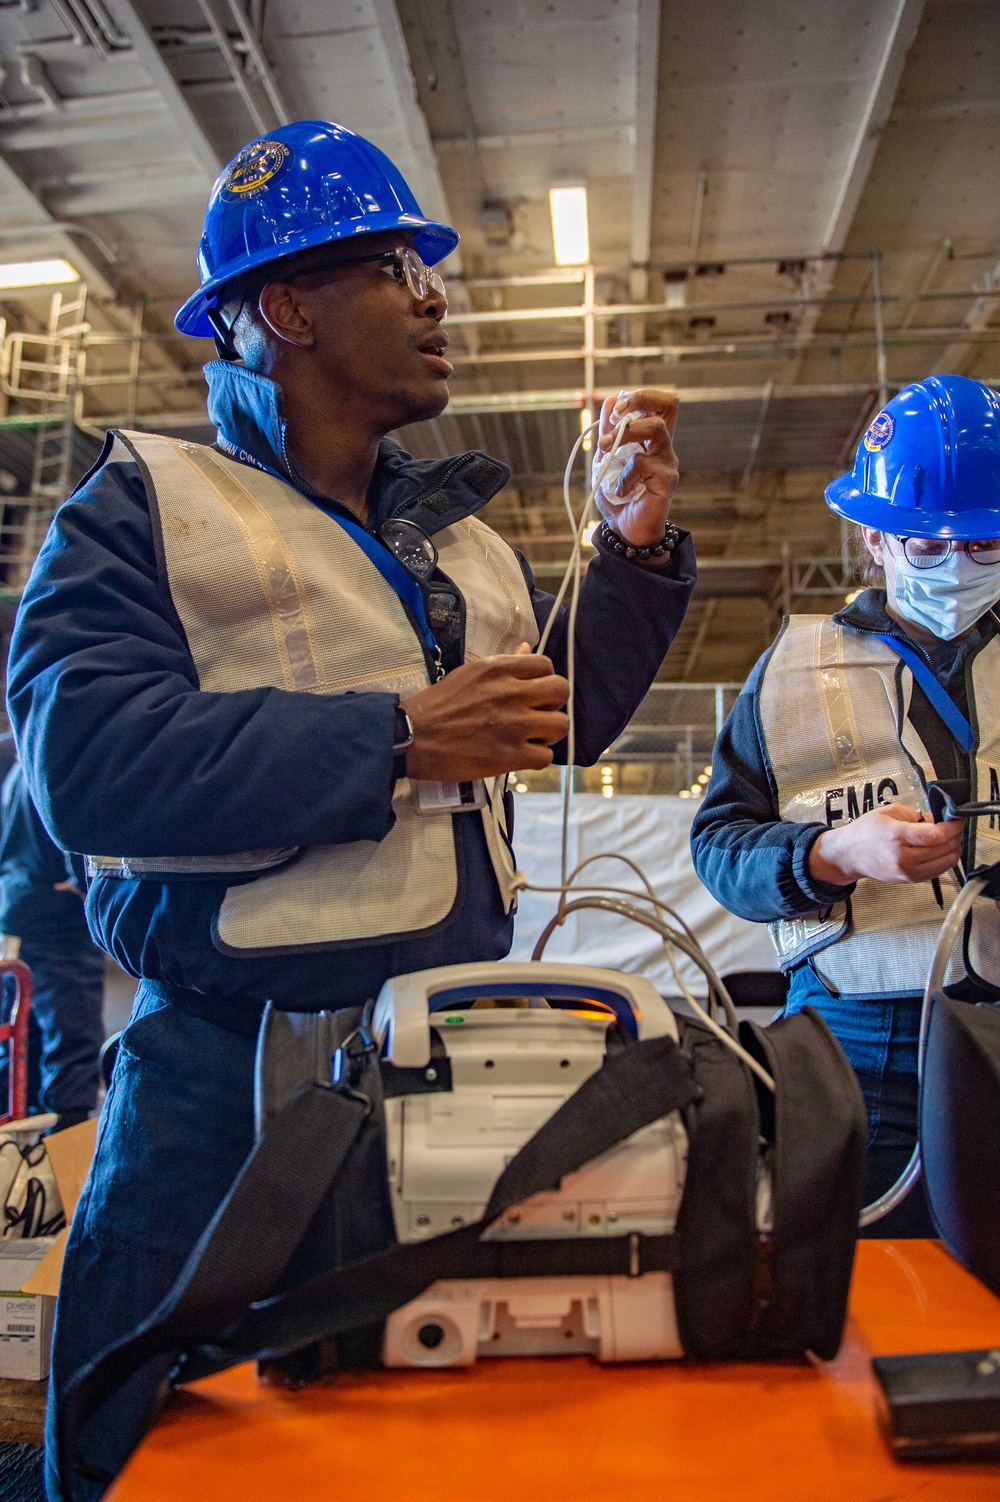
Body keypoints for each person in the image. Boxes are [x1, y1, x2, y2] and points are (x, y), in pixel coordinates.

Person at [6, 121, 696, 1500]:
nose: (437, 297)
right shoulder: (144, 508)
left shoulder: (464, 542)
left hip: (436, 1068)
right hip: (221, 1083)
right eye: (396, 267)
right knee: (150, 1434)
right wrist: (394, 735)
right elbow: (80, 759)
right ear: (286, 309)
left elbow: (551, 716)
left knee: (403, 1432)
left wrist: (625, 554)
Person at [692, 373, 1000, 1239]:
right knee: (855, 1289)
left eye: (984, 546)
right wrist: (834, 856)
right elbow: (720, 845)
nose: (958, 569)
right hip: (858, 1037)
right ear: (872, 537)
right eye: (928, 548)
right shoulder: (792, 670)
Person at [0, 759, 105, 1128]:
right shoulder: (57, 769)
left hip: (18, 907)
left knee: (22, 1033)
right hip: (56, 921)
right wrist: (87, 893)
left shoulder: (20, 768)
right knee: (71, 1036)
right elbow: (82, 863)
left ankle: (19, 1141)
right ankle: (65, 1138)